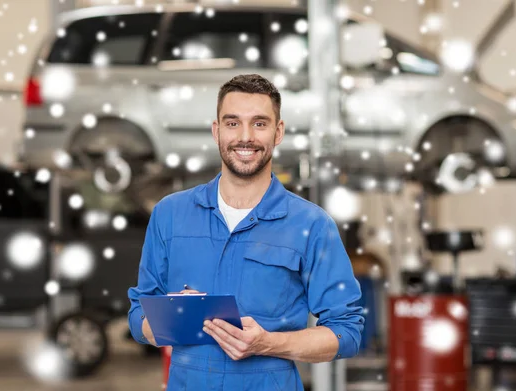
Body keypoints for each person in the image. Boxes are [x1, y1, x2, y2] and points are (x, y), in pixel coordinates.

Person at [128, 74, 364, 390]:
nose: (245, 137)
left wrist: (267, 343)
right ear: (216, 131)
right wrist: (174, 318)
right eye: (233, 123)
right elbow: (138, 317)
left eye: (259, 124)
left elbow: (346, 332)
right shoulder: (170, 215)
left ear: (278, 132)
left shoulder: (311, 225)